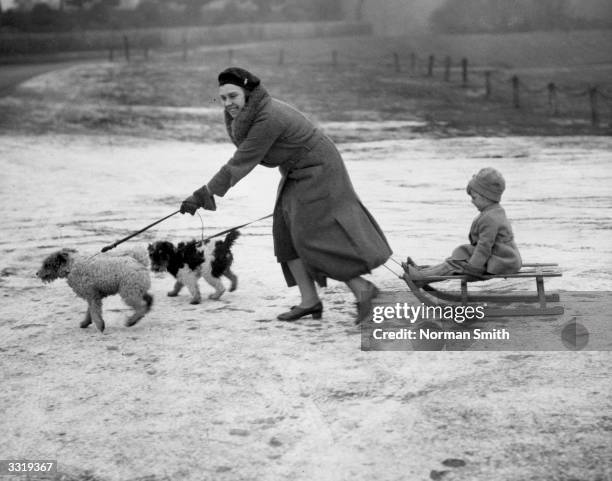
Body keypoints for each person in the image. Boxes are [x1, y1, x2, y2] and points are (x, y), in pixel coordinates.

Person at [180, 67, 392, 323]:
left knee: (312, 237)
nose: (228, 104)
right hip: (296, 171)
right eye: (223, 98)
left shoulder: (268, 117)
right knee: (285, 234)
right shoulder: (251, 113)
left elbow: (241, 161)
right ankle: (310, 301)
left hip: (319, 170)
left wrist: (204, 193)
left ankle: (364, 291)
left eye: (233, 96)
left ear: (248, 92)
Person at [405, 167, 522, 284]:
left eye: (474, 197)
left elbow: (484, 247)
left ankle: (421, 277)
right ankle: (424, 272)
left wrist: (473, 268)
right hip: (501, 258)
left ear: (486, 197)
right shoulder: (494, 212)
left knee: (456, 264)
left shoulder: (490, 218)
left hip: (501, 262)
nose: (472, 201)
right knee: (457, 258)